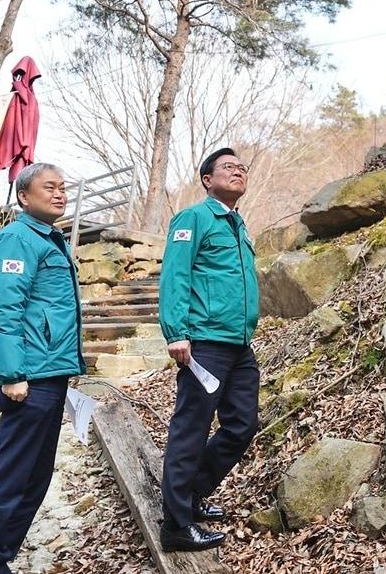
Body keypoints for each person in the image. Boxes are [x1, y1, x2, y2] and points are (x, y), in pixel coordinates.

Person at [0, 163, 84, 574]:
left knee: (35, 476)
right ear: (23, 196)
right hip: (29, 376)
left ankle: (0, 558)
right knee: (12, 476)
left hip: (51, 372)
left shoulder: (50, 239)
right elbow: (3, 312)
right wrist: (11, 374)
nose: (60, 193)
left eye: (63, 187)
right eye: (49, 187)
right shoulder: (15, 240)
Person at [158, 147, 260, 553]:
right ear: (207, 179)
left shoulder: (239, 224)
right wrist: (176, 331)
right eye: (229, 167)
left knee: (242, 425)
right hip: (205, 342)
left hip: (238, 344)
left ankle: (191, 494)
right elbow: (175, 275)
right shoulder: (193, 218)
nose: (238, 172)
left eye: (242, 168)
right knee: (191, 429)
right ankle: (176, 525)